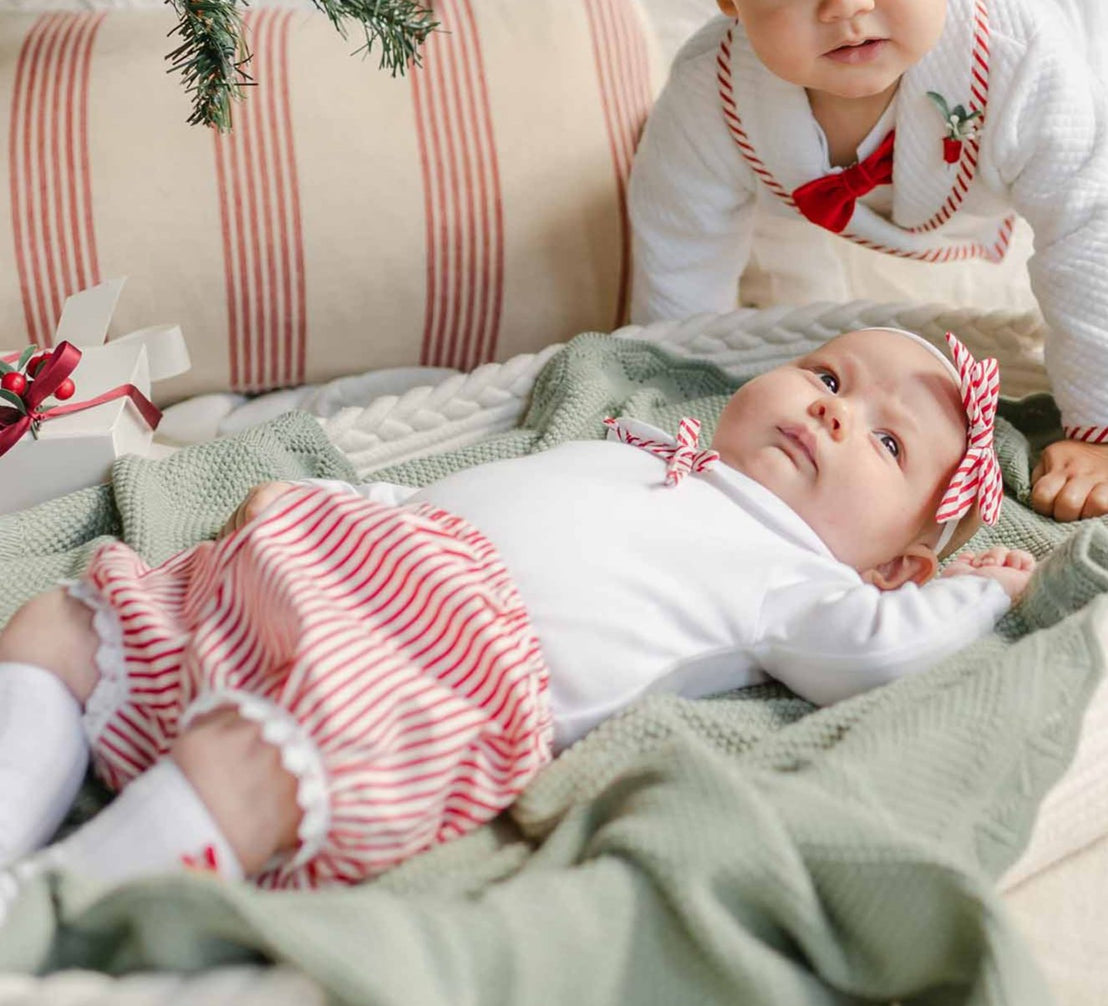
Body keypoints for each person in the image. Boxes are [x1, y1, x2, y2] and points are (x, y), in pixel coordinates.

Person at [0, 327, 1033, 908]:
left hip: (439, 665)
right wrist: (344, 505)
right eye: (825, 374)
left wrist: (978, 590)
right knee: (61, 625)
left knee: (249, 761)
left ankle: (48, 907)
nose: (833, 410)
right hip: (335, 564)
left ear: (894, 565)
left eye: (887, 444)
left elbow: (877, 654)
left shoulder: (805, 584)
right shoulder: (640, 448)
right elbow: (483, 502)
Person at [628, 0, 1108, 523]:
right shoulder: (710, 94)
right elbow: (679, 255)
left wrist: (1098, 433)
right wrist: (673, 388)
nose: (847, 7)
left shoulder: (1023, 62)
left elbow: (1088, 236)